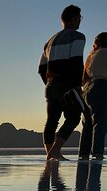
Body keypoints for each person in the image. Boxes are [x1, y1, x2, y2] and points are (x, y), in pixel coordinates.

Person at [38, 5, 85, 160]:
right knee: (73, 117)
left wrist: (50, 83)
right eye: (79, 17)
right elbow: (77, 62)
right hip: (67, 85)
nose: (80, 20)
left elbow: (41, 68)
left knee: (52, 120)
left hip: (51, 86)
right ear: (73, 18)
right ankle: (55, 151)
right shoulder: (77, 37)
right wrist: (77, 86)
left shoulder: (49, 42)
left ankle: (50, 154)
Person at [79, 33, 107, 160]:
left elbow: (83, 79)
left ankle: (83, 155)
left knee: (87, 125)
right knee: (99, 123)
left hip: (87, 90)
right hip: (101, 86)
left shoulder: (91, 56)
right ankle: (97, 155)